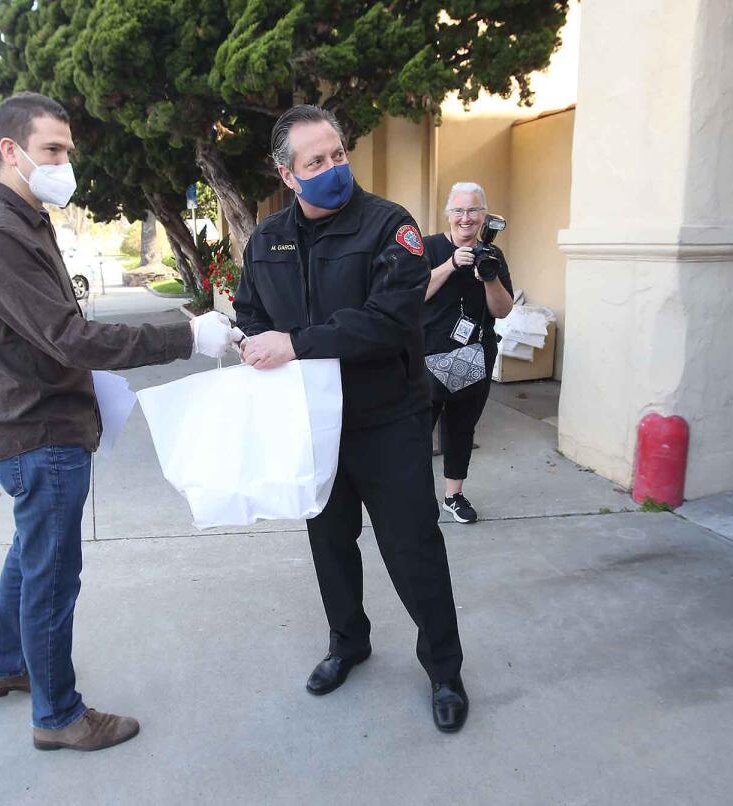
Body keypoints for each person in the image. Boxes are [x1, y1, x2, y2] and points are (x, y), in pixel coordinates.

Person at [0, 92, 235, 753]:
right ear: (10, 151)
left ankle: (4, 665)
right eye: (52, 150)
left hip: (32, 421)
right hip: (38, 433)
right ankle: (58, 717)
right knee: (52, 576)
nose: (64, 163)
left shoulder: (21, 216)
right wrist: (185, 337)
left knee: (30, 554)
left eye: (67, 151)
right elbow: (69, 339)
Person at [234, 105, 469, 732]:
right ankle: (348, 642)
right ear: (288, 175)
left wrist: (296, 342)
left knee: (412, 547)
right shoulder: (267, 239)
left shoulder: (389, 226)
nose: (334, 168)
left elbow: (390, 321)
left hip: (387, 418)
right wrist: (253, 341)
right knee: (330, 542)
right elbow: (250, 310)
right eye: (316, 162)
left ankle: (443, 666)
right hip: (313, 424)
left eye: (338, 154)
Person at [422, 182, 515, 524]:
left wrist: (487, 276)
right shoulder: (429, 248)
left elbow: (503, 310)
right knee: (417, 431)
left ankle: (454, 495)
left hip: (473, 356)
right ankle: (414, 497)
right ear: (448, 214)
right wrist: (449, 264)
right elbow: (413, 295)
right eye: (459, 210)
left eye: (474, 210)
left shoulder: (492, 254)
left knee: (461, 427)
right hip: (427, 356)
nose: (466, 218)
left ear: (484, 216)